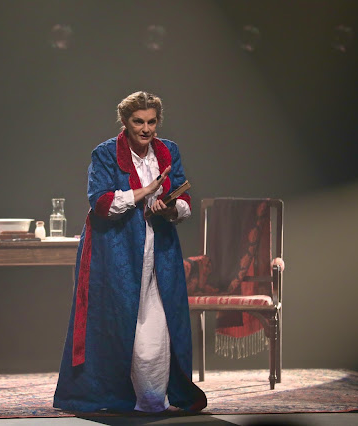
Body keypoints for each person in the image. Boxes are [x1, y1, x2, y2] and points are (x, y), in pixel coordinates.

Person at [53, 91, 207, 413]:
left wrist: (169, 208)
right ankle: (116, 395)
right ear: (125, 122)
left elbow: (184, 201)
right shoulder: (106, 153)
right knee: (121, 319)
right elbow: (101, 202)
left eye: (152, 121)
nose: (146, 129)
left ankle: (154, 397)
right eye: (139, 122)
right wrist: (145, 191)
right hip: (116, 248)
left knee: (160, 319)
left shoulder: (168, 151)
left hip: (160, 247)